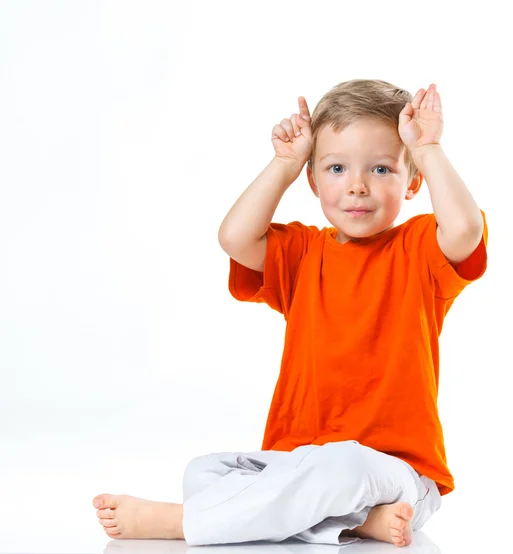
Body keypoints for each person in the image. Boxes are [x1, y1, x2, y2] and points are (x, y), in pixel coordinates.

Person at [93, 79, 488, 548]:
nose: (357, 185)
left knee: (341, 465)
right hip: (299, 460)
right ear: (313, 179)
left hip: (398, 475)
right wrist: (283, 165)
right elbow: (236, 238)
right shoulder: (303, 252)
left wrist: (429, 148)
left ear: (413, 180)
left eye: (382, 169)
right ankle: (354, 524)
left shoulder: (419, 248)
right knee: (205, 471)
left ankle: (182, 524)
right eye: (336, 168)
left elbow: (464, 229)